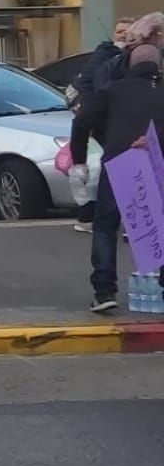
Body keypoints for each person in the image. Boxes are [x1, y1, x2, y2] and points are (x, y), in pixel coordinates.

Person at [71, 42, 164, 313]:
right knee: (158, 224)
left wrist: (79, 162)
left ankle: (104, 291)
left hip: (121, 159)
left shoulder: (112, 89)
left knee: (105, 226)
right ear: (158, 66)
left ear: (130, 65)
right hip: (157, 160)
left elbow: (82, 121)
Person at [71, 17, 134, 232]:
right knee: (109, 171)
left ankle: (97, 219)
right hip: (106, 121)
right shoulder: (104, 56)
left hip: (119, 120)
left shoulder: (134, 56)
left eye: (128, 31)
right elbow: (85, 85)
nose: (124, 35)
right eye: (120, 31)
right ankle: (94, 219)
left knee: (109, 171)